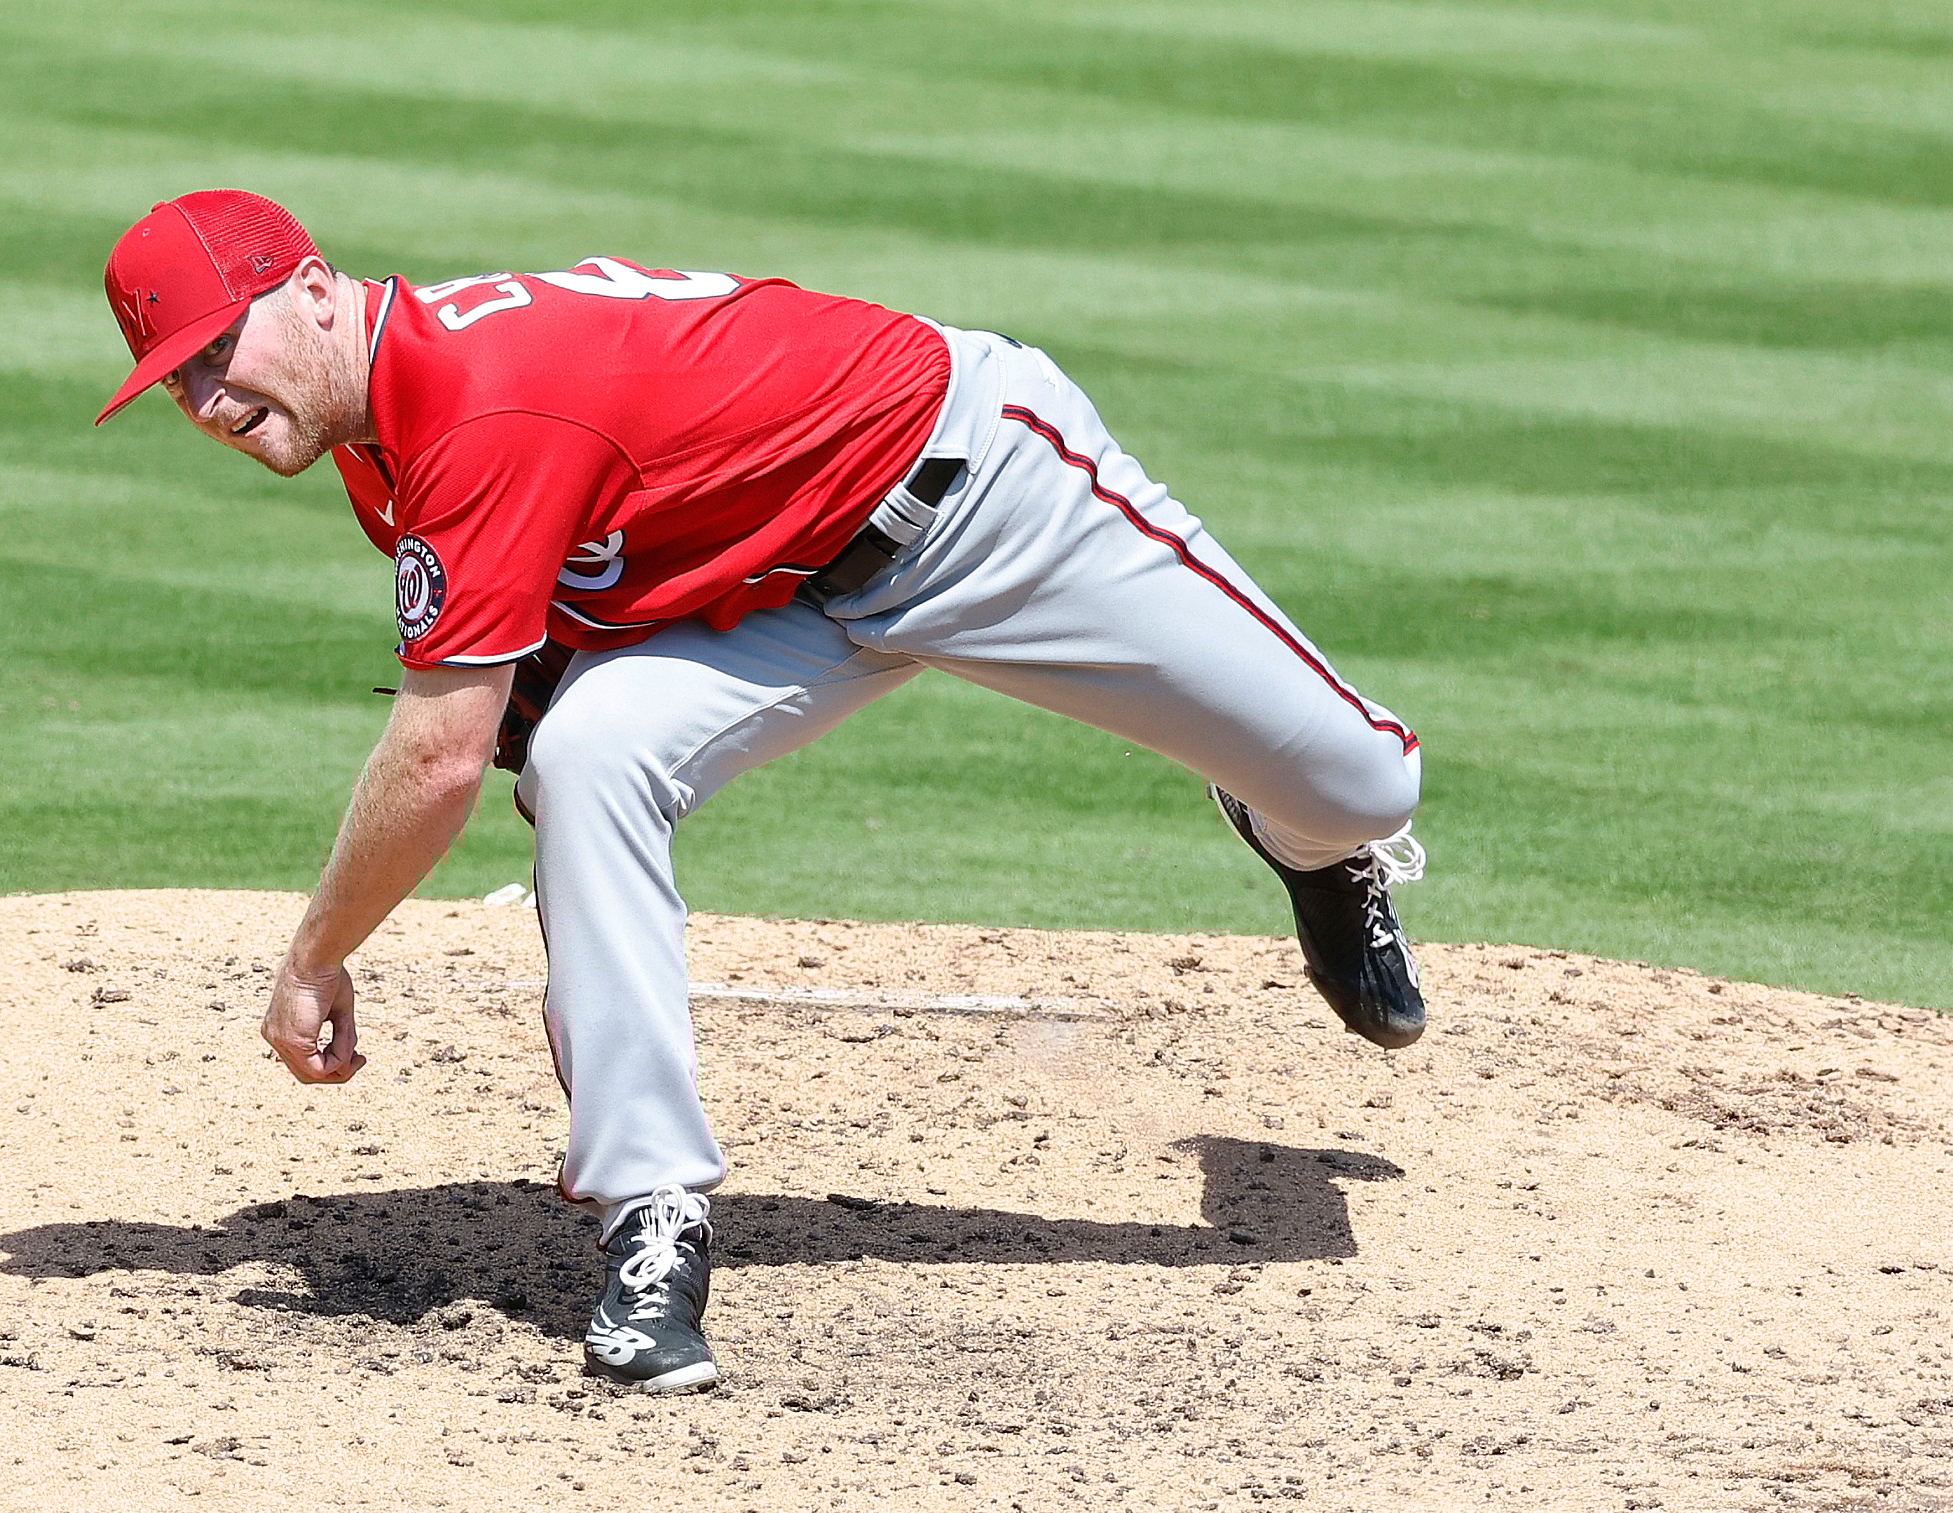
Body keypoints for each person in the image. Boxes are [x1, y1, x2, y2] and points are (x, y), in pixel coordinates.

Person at [94, 190, 1428, 1394]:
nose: (211, 398)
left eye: (226, 348)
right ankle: (649, 1218)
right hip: (788, 600)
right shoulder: (379, 441)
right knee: (587, 756)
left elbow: (441, 756)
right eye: (178, 379)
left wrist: (316, 954)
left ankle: (1303, 838)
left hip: (983, 494)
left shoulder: (478, 404)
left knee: (1363, 779)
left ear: (316, 289)